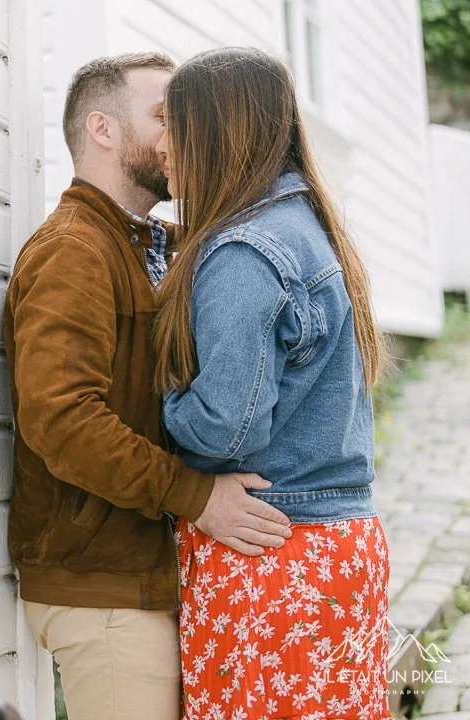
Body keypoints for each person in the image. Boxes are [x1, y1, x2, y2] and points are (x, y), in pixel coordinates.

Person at [2, 53, 292, 720]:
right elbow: (62, 421)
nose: (178, 135)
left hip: (148, 575)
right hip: (102, 587)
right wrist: (195, 496)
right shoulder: (74, 250)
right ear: (102, 129)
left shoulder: (161, 243)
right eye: (165, 115)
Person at [154, 47, 392, 719]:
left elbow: (227, 427)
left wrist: (162, 401)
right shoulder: (307, 227)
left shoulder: (244, 253)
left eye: (173, 124)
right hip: (337, 548)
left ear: (215, 131)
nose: (162, 145)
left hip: (270, 554)